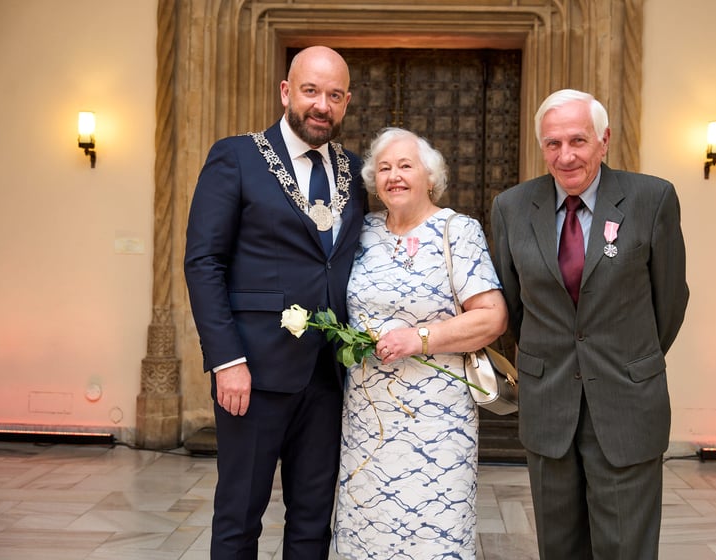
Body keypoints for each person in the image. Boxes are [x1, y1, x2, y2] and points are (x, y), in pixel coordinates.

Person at [490, 89, 689, 559]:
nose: (566, 156)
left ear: (604, 140)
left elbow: (670, 301)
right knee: (559, 548)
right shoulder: (512, 207)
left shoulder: (652, 198)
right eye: (553, 143)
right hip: (549, 404)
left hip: (626, 402)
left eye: (578, 140)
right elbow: (511, 307)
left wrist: (627, 359)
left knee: (625, 548)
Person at [184, 46, 365, 559]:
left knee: (312, 522)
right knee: (239, 517)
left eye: (334, 95)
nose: (322, 105)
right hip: (254, 373)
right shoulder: (237, 156)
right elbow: (204, 262)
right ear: (286, 92)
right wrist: (227, 361)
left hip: (328, 377)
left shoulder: (354, 171)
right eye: (311, 91)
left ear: (346, 102)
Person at [333, 127, 508, 559]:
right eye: (384, 169)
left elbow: (492, 317)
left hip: (437, 419)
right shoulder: (360, 232)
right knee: (368, 533)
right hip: (367, 418)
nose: (394, 176)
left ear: (430, 177)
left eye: (405, 166)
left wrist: (418, 338)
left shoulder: (457, 231)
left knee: (434, 536)